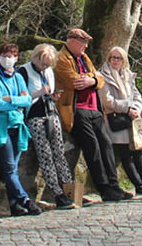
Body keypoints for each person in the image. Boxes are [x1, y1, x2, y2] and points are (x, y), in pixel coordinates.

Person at [54, 28, 132, 202]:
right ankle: (104, 188)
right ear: (72, 41)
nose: (86, 46)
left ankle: (114, 185)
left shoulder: (84, 58)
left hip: (95, 109)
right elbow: (74, 81)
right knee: (92, 148)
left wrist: (93, 80)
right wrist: (93, 78)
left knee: (106, 146)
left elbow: (100, 80)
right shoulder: (61, 59)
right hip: (76, 110)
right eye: (83, 42)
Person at [0, 43, 43, 216]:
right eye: (5, 56)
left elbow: (28, 100)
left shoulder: (18, 77)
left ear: (16, 58)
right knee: (8, 168)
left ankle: (14, 205)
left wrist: (10, 99)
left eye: (12, 56)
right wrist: (18, 101)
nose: (8, 59)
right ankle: (25, 200)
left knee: (12, 169)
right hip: (0, 128)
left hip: (17, 125)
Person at [19, 43, 83, 209]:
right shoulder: (24, 72)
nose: (45, 67)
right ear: (36, 58)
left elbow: (50, 90)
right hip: (34, 116)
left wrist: (52, 96)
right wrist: (40, 92)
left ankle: (71, 191)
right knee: (45, 155)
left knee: (59, 153)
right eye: (43, 64)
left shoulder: (48, 71)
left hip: (51, 113)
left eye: (48, 64)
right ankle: (58, 194)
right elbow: (22, 98)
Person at [98, 46, 142, 196]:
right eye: (113, 57)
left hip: (130, 118)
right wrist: (127, 107)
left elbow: (137, 94)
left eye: (118, 58)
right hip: (115, 118)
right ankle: (138, 184)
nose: (115, 61)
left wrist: (137, 108)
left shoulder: (127, 75)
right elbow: (107, 100)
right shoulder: (103, 75)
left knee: (138, 150)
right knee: (125, 153)